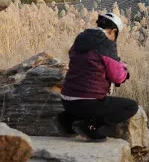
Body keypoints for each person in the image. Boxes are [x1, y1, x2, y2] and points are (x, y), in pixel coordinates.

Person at [55, 12, 139, 141]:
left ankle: (66, 120)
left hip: (66, 99)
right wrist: (124, 70)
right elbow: (117, 77)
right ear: (113, 31)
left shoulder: (81, 39)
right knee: (131, 106)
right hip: (87, 102)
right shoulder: (105, 44)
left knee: (85, 102)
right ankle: (90, 127)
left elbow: (90, 63)